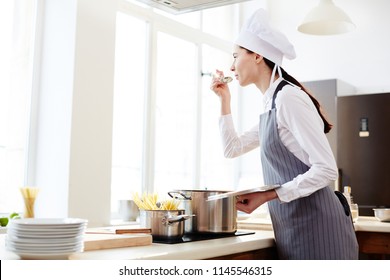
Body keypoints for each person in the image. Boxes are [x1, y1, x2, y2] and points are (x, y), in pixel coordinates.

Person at [210, 8, 358, 260]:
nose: (231, 66)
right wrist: (224, 100)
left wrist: (267, 195)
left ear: (257, 56)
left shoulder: (289, 98)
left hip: (319, 226)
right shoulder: (271, 103)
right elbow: (231, 149)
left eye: (235, 56)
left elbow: (326, 169)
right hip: (293, 228)